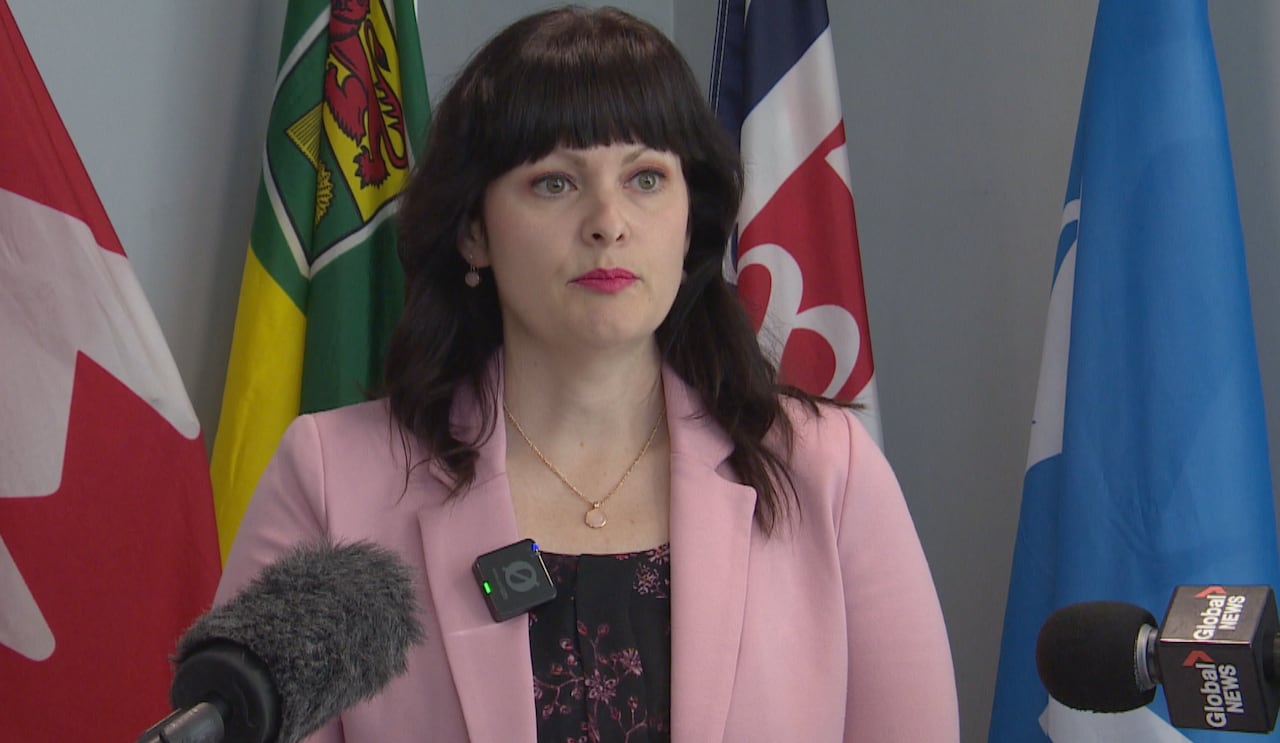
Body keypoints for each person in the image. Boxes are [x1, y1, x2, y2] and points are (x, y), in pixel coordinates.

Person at [216, 6, 960, 742]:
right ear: (474, 231)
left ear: (691, 219)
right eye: (554, 183)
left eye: (645, 179)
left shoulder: (826, 469)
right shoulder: (331, 477)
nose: (609, 221)